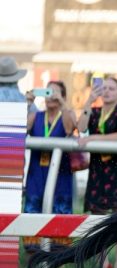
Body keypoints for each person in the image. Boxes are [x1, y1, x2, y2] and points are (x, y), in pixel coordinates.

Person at [77, 76, 117, 268]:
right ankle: (102, 262)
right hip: (98, 170)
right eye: (104, 88)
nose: (106, 91)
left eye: (111, 88)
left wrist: (93, 138)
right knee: (98, 217)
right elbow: (81, 127)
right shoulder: (95, 111)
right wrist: (89, 101)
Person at [24, 81, 77, 251]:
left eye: (55, 92)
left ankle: (57, 258)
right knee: (33, 209)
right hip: (37, 172)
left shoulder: (66, 115)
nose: (51, 96)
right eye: (48, 91)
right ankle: (33, 259)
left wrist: (62, 103)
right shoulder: (35, 116)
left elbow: (70, 129)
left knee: (59, 209)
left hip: (60, 173)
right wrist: (28, 104)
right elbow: (19, 130)